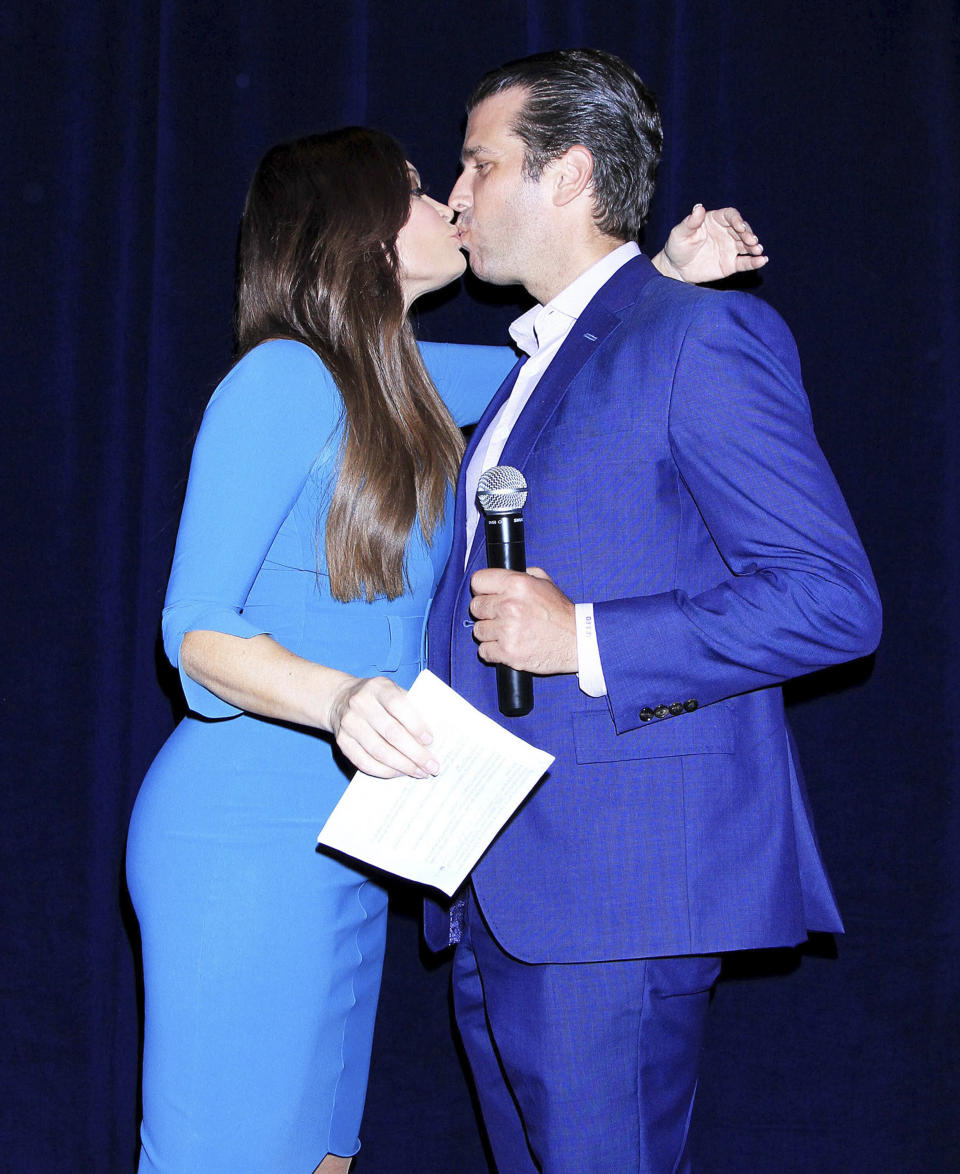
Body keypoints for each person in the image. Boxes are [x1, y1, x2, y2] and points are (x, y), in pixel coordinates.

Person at [125, 122, 761, 1173]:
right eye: (419, 190)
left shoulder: (411, 389)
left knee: (321, 1158)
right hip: (240, 838)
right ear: (359, 230)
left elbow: (566, 368)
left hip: (354, 845)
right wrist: (338, 700)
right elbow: (192, 630)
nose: (448, 206)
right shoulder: (281, 377)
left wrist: (659, 273)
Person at [424, 49, 883, 1173]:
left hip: (611, 895)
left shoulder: (700, 339)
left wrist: (582, 635)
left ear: (570, 174)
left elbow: (833, 600)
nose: (456, 195)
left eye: (481, 164)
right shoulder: (547, 358)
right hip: (499, 891)